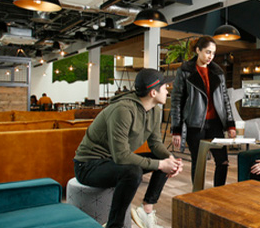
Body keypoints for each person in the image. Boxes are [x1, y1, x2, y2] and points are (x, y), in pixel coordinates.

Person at [74, 68, 183, 228]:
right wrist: (161, 165)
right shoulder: (123, 110)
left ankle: (145, 210)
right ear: (153, 92)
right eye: (165, 87)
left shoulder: (154, 111)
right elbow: (122, 157)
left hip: (112, 161)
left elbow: (155, 144)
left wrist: (170, 160)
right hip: (89, 166)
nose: (167, 91)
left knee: (162, 159)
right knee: (132, 172)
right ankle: (114, 225)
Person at [170, 36, 236, 187]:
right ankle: (198, 195)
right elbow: (177, 101)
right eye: (207, 52)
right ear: (198, 50)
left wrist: (230, 125)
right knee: (198, 163)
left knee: (223, 161)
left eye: (213, 53)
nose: (210, 57)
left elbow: (225, 100)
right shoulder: (185, 71)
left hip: (215, 124)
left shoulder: (218, 72)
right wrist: (176, 130)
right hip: (194, 124)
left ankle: (218, 192)